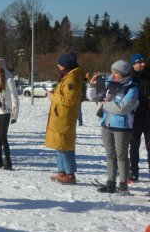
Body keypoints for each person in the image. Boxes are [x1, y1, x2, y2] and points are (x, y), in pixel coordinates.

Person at [87, 60, 139, 194]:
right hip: (106, 124)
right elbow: (94, 98)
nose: (113, 75)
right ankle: (110, 183)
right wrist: (92, 86)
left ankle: (123, 185)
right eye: (112, 72)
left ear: (123, 74)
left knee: (121, 156)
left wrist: (104, 104)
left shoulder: (132, 88)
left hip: (122, 127)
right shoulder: (111, 84)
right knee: (110, 155)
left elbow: (123, 109)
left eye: (116, 73)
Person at [45, 52, 84, 185]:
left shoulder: (71, 79)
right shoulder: (67, 76)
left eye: (60, 64)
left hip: (65, 117)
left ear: (66, 65)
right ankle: (62, 171)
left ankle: (70, 174)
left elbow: (69, 100)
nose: (58, 65)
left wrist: (52, 96)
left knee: (65, 145)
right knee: (59, 144)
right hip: (60, 116)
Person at [129, 53, 150, 181]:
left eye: (144, 61)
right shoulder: (129, 77)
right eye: (140, 62)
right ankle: (134, 171)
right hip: (134, 118)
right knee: (134, 146)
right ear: (133, 64)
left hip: (149, 117)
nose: (143, 63)